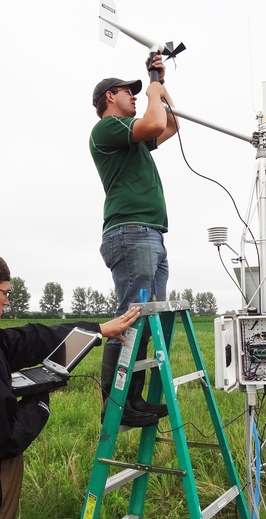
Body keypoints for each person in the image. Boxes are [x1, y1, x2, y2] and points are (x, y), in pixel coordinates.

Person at [0, 249, 140, 519]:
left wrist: (97, 329)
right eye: (5, 292)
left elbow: (28, 339)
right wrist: (41, 398)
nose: (8, 301)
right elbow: (3, 440)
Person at [89, 53, 179, 427]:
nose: (136, 96)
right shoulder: (108, 129)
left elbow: (170, 125)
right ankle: (117, 404)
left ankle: (134, 398)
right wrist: (155, 93)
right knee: (130, 316)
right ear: (110, 96)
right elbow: (155, 119)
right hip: (131, 235)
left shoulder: (135, 138)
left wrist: (158, 80)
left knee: (143, 318)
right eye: (130, 91)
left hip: (148, 236)